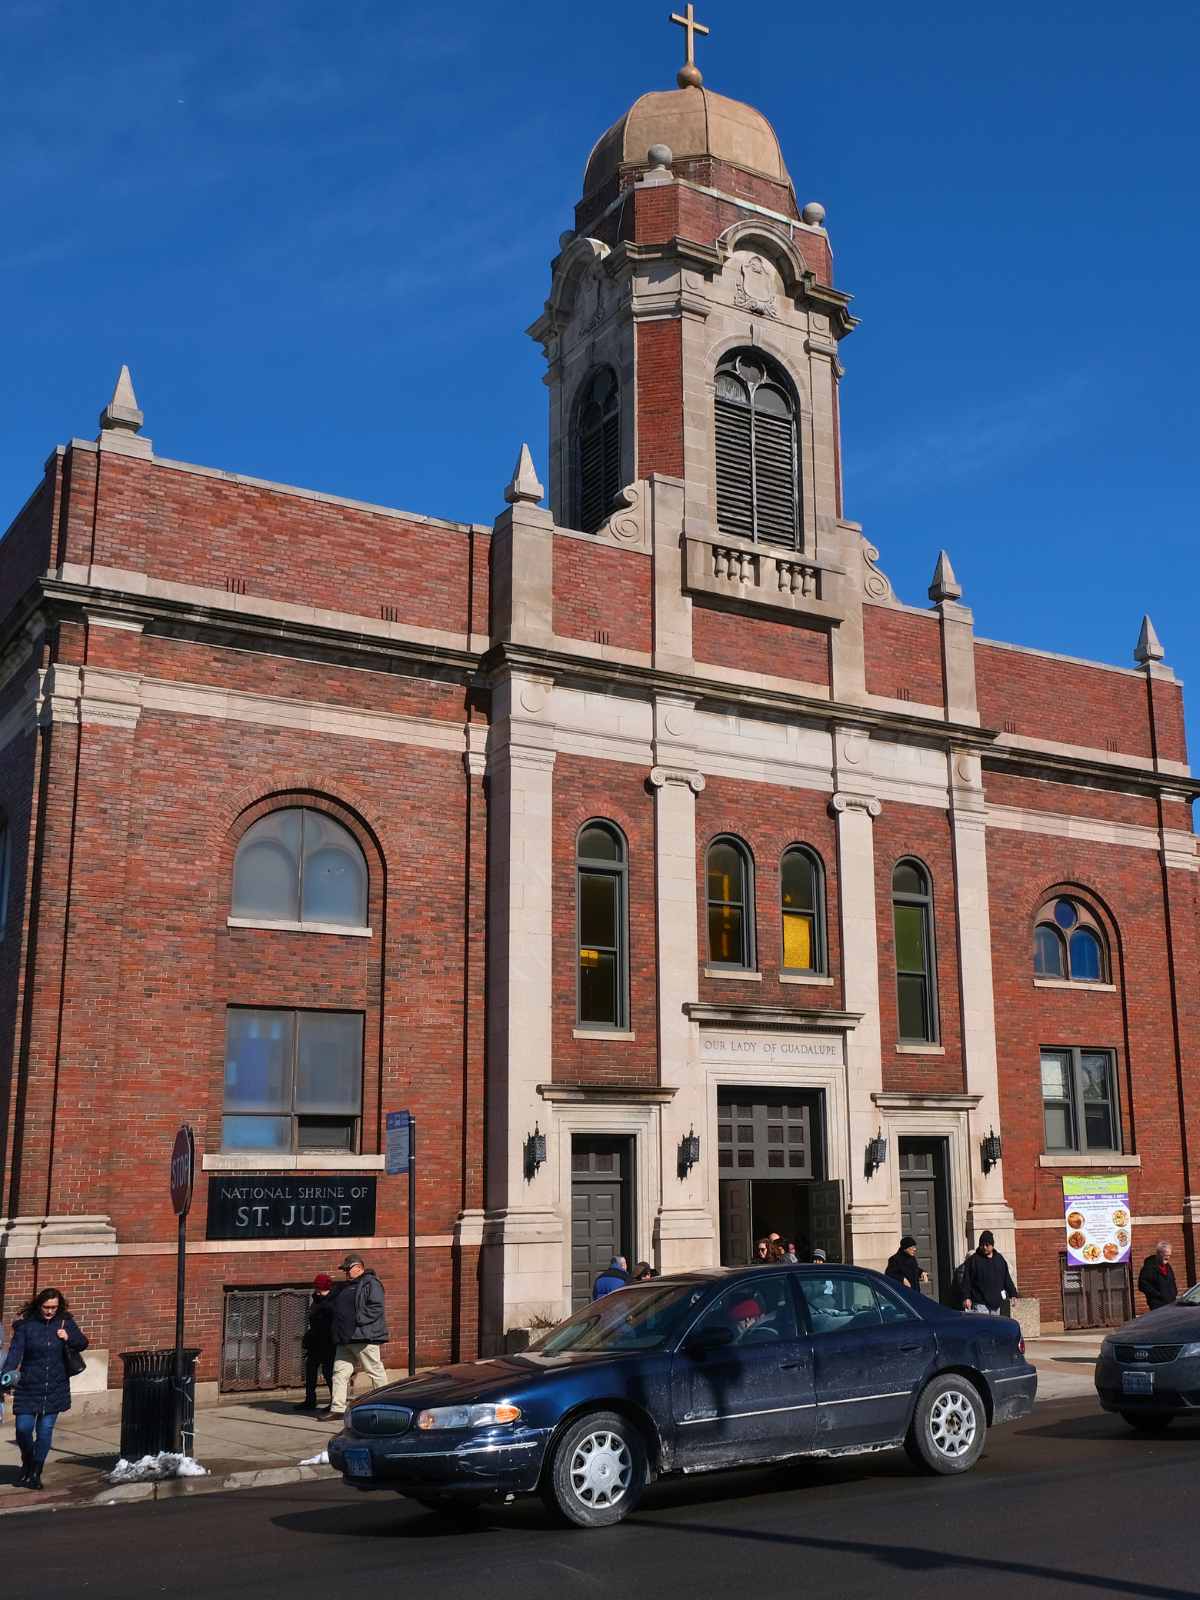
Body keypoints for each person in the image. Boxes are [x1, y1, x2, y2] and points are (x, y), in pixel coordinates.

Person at [0, 1287, 89, 1490]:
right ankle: (28, 1459)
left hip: (55, 1385)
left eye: (54, 1307)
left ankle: (35, 1472)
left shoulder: (65, 1322)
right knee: (23, 1429)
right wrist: (5, 1377)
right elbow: (15, 1353)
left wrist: (68, 1337)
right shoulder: (26, 1326)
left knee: (45, 1430)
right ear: (39, 1305)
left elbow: (83, 1343)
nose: (50, 1311)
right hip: (29, 1385)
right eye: (46, 1307)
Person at [322, 1254, 388, 1421]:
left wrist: (357, 1320)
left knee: (374, 1370)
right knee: (339, 1373)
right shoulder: (345, 1286)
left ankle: (387, 1404)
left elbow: (376, 1307)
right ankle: (338, 1408)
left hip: (362, 1337)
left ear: (359, 1267)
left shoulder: (370, 1283)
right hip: (345, 1338)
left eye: (348, 1269)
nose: (346, 1273)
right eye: (344, 1270)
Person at [295, 1273, 337, 1413]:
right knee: (310, 1370)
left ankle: (335, 1402)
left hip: (329, 1342)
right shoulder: (316, 1299)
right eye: (317, 1289)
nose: (318, 1292)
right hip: (315, 1341)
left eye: (321, 1289)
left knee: (329, 1373)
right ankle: (310, 1400)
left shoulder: (334, 1301)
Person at [962, 1230, 1018, 1314]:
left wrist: (1013, 1293)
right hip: (979, 1304)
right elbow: (967, 1281)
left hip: (996, 1305)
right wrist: (966, 1297)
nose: (984, 1247)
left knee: (994, 1327)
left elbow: (1006, 1279)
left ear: (992, 1245)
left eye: (987, 1245)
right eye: (982, 1245)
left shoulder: (999, 1259)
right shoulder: (973, 1260)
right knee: (982, 1327)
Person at [1137, 1241, 1179, 1311]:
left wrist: (1174, 1293)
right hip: (1157, 1305)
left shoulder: (1168, 1266)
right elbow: (1142, 1285)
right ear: (1159, 1254)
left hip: (1171, 1303)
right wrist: (1157, 1295)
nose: (1168, 1258)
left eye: (1169, 1255)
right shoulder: (1149, 1267)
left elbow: (1172, 1281)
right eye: (1166, 1255)